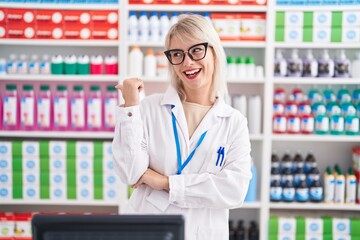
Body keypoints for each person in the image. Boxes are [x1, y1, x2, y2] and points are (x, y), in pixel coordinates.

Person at [112, 14, 252, 240]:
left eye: (196, 50)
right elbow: (130, 173)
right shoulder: (148, 108)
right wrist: (130, 107)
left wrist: (166, 183)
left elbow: (234, 190)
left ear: (213, 52)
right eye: (177, 54)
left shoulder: (234, 122)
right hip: (149, 230)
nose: (187, 62)